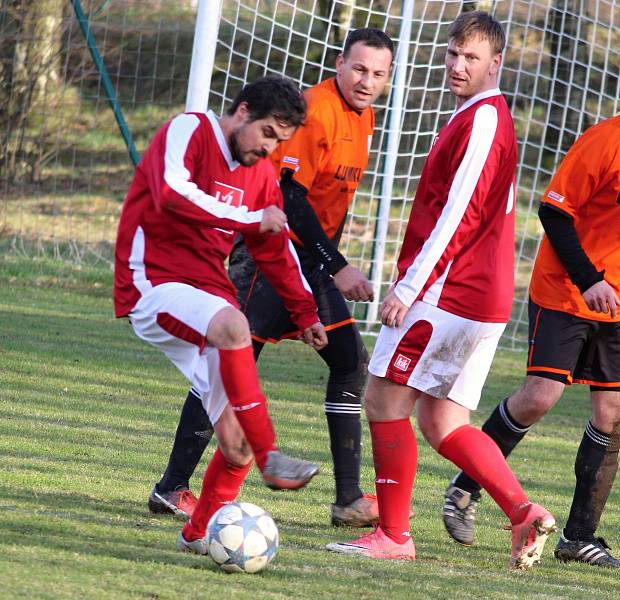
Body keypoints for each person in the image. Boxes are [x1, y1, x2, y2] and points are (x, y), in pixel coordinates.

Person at [441, 49, 620, 568]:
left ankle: (578, 538)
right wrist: (588, 280)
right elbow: (554, 213)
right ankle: (464, 488)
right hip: (564, 288)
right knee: (541, 397)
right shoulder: (605, 141)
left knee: (613, 415)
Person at [326, 11, 556, 568]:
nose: (457, 65)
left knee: (382, 398)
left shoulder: (481, 120)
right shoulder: (479, 118)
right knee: (442, 421)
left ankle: (393, 536)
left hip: (449, 291)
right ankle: (522, 511)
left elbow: (460, 214)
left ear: (496, 63)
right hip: (481, 296)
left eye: (471, 57)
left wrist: (410, 286)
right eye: (453, 53)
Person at [146, 29, 396, 528]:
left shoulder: (364, 117)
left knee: (349, 362)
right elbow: (288, 196)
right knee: (227, 369)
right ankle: (174, 487)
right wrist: (338, 264)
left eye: (379, 73)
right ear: (339, 62)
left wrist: (325, 266)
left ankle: (348, 498)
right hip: (271, 262)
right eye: (359, 69)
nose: (367, 81)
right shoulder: (317, 109)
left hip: (311, 267)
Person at [114, 74, 328, 554]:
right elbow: (172, 191)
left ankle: (198, 534)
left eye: (281, 141)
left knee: (235, 447)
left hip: (204, 295)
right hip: (152, 281)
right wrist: (250, 218)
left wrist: (305, 309)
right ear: (243, 111)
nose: (269, 149)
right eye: (268, 133)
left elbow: (274, 249)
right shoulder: (189, 131)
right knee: (235, 325)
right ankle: (272, 453)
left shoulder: (261, 174)